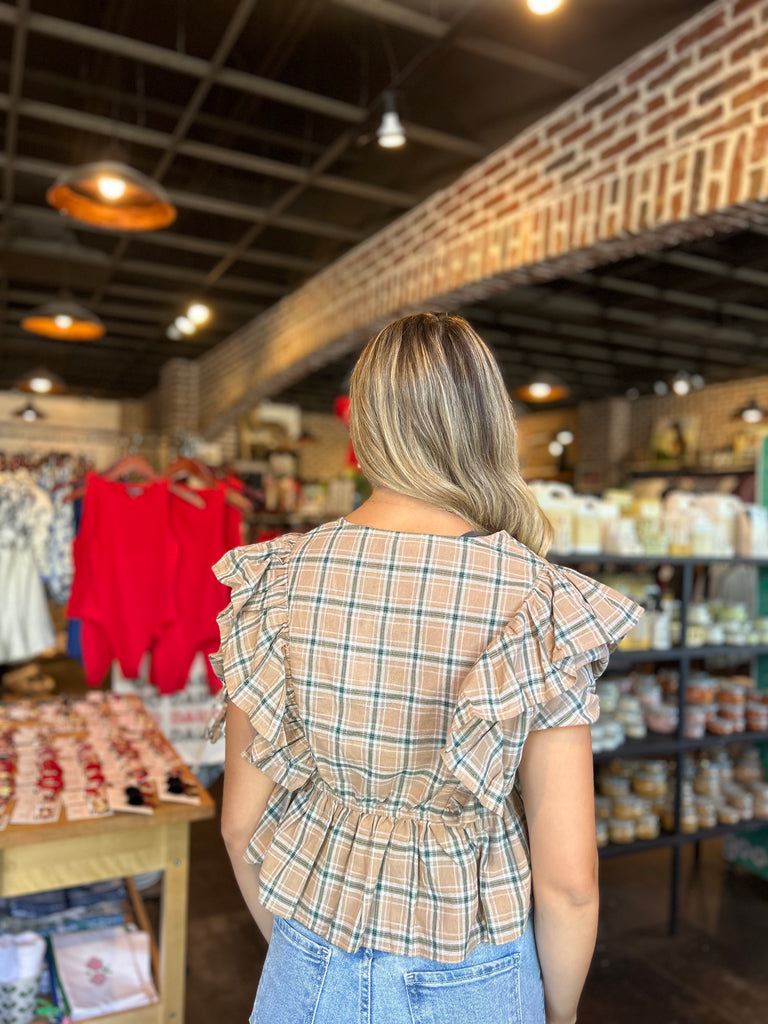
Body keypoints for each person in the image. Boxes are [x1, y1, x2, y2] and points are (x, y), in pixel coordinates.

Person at [212, 312, 641, 1024]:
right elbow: (569, 883)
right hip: (471, 970)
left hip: (307, 953)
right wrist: (559, 1013)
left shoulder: (277, 579)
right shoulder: (536, 599)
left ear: (364, 429)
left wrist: (299, 950)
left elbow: (238, 825)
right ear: (486, 426)